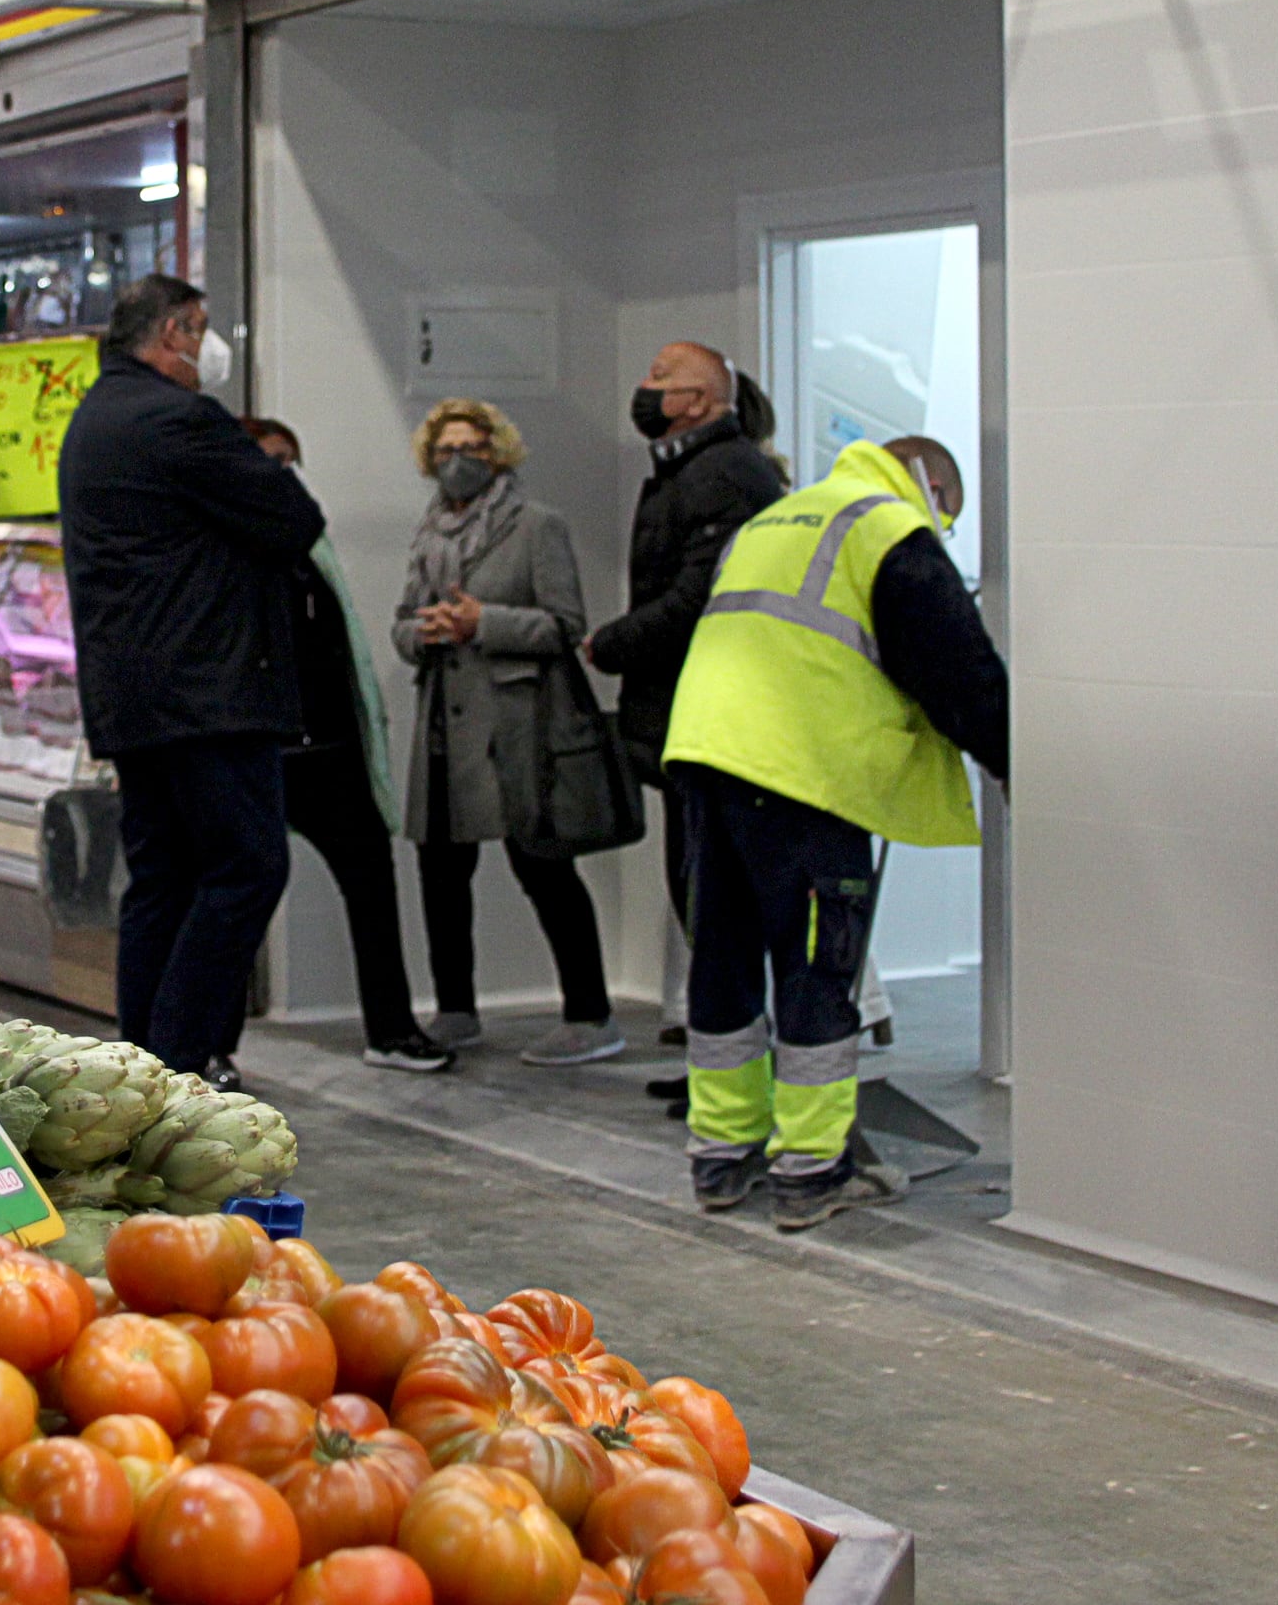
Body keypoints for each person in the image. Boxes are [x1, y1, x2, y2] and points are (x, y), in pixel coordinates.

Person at [664, 433, 1008, 1231]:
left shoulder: (779, 519)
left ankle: (721, 1158)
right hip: (801, 771)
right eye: (946, 516)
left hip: (705, 757)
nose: (942, 528)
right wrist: (1015, 762)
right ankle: (812, 1173)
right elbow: (961, 670)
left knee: (722, 960)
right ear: (931, 487)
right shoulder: (889, 528)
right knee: (818, 966)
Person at [57, 274, 326, 1084]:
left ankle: (140, 1060)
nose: (211, 348)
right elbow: (293, 518)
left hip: (133, 695)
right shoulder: (178, 418)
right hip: (208, 690)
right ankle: (178, 1060)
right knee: (247, 866)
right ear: (173, 332)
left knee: (163, 876)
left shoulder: (95, 418)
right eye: (202, 329)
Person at [394, 398, 622, 1066]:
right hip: (445, 721)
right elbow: (403, 621)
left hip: (520, 725)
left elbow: (564, 624)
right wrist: (423, 632)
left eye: (472, 448)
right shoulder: (428, 531)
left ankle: (591, 1013)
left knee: (543, 864)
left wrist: (483, 623)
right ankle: (455, 1010)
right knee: (440, 867)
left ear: (499, 453)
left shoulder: (536, 526)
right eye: (444, 450)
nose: (456, 461)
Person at [587, 342, 786, 1086]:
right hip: (685, 716)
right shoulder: (693, 469)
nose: (644, 388)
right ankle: (720, 1070)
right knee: (699, 901)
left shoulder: (725, 474)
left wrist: (615, 643)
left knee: (717, 908)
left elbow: (703, 595)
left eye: (661, 379)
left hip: (712, 716)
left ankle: (734, 1077)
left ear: (701, 402)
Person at [247, 417, 451, 1073]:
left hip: (330, 748)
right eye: (270, 462)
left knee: (370, 881)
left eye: (291, 460)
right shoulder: (230, 548)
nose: (285, 475)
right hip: (264, 750)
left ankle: (389, 1028)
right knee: (237, 896)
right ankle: (206, 1043)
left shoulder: (312, 547)